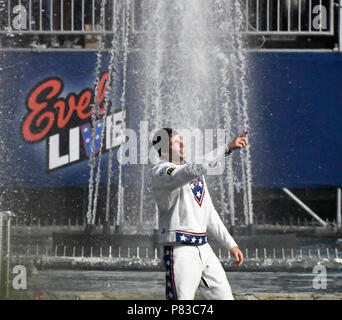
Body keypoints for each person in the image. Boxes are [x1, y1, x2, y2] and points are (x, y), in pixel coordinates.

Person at [151, 128, 248, 300]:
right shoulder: (162, 171)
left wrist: (231, 245)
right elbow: (187, 171)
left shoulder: (194, 174)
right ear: (164, 151)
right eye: (175, 142)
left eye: (181, 139)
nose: (182, 143)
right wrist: (227, 148)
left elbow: (209, 213)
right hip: (180, 250)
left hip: (204, 248)